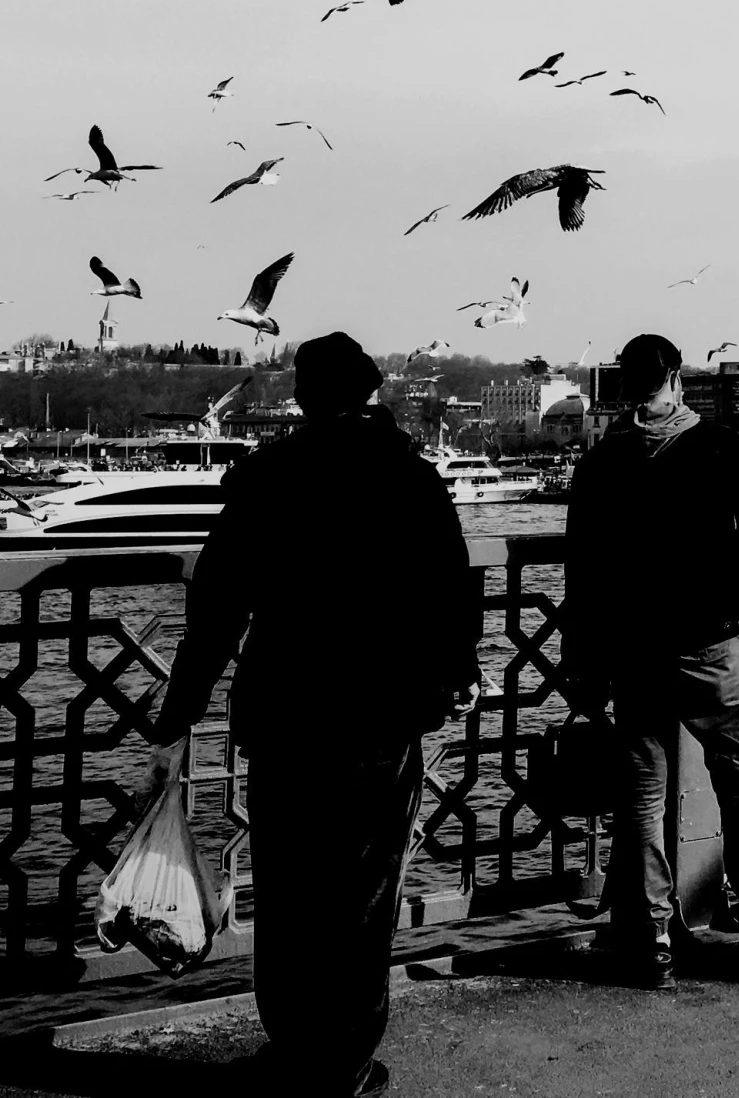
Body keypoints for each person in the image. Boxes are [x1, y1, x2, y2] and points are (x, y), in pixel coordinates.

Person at [150, 332, 478, 1098]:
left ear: (302, 397)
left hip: (289, 708)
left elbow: (218, 603)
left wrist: (182, 706)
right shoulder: (411, 478)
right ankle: (345, 1061)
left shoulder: (268, 477)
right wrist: (455, 672)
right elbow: (451, 592)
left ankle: (294, 1046)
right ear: (371, 392)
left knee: (291, 889)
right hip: (379, 711)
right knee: (363, 895)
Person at [562, 332, 739, 988]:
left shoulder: (603, 461)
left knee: (641, 792)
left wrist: (580, 653)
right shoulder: (715, 445)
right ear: (678, 379)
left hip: (634, 647)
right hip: (711, 641)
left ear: (624, 385)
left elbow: (583, 567)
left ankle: (656, 935)